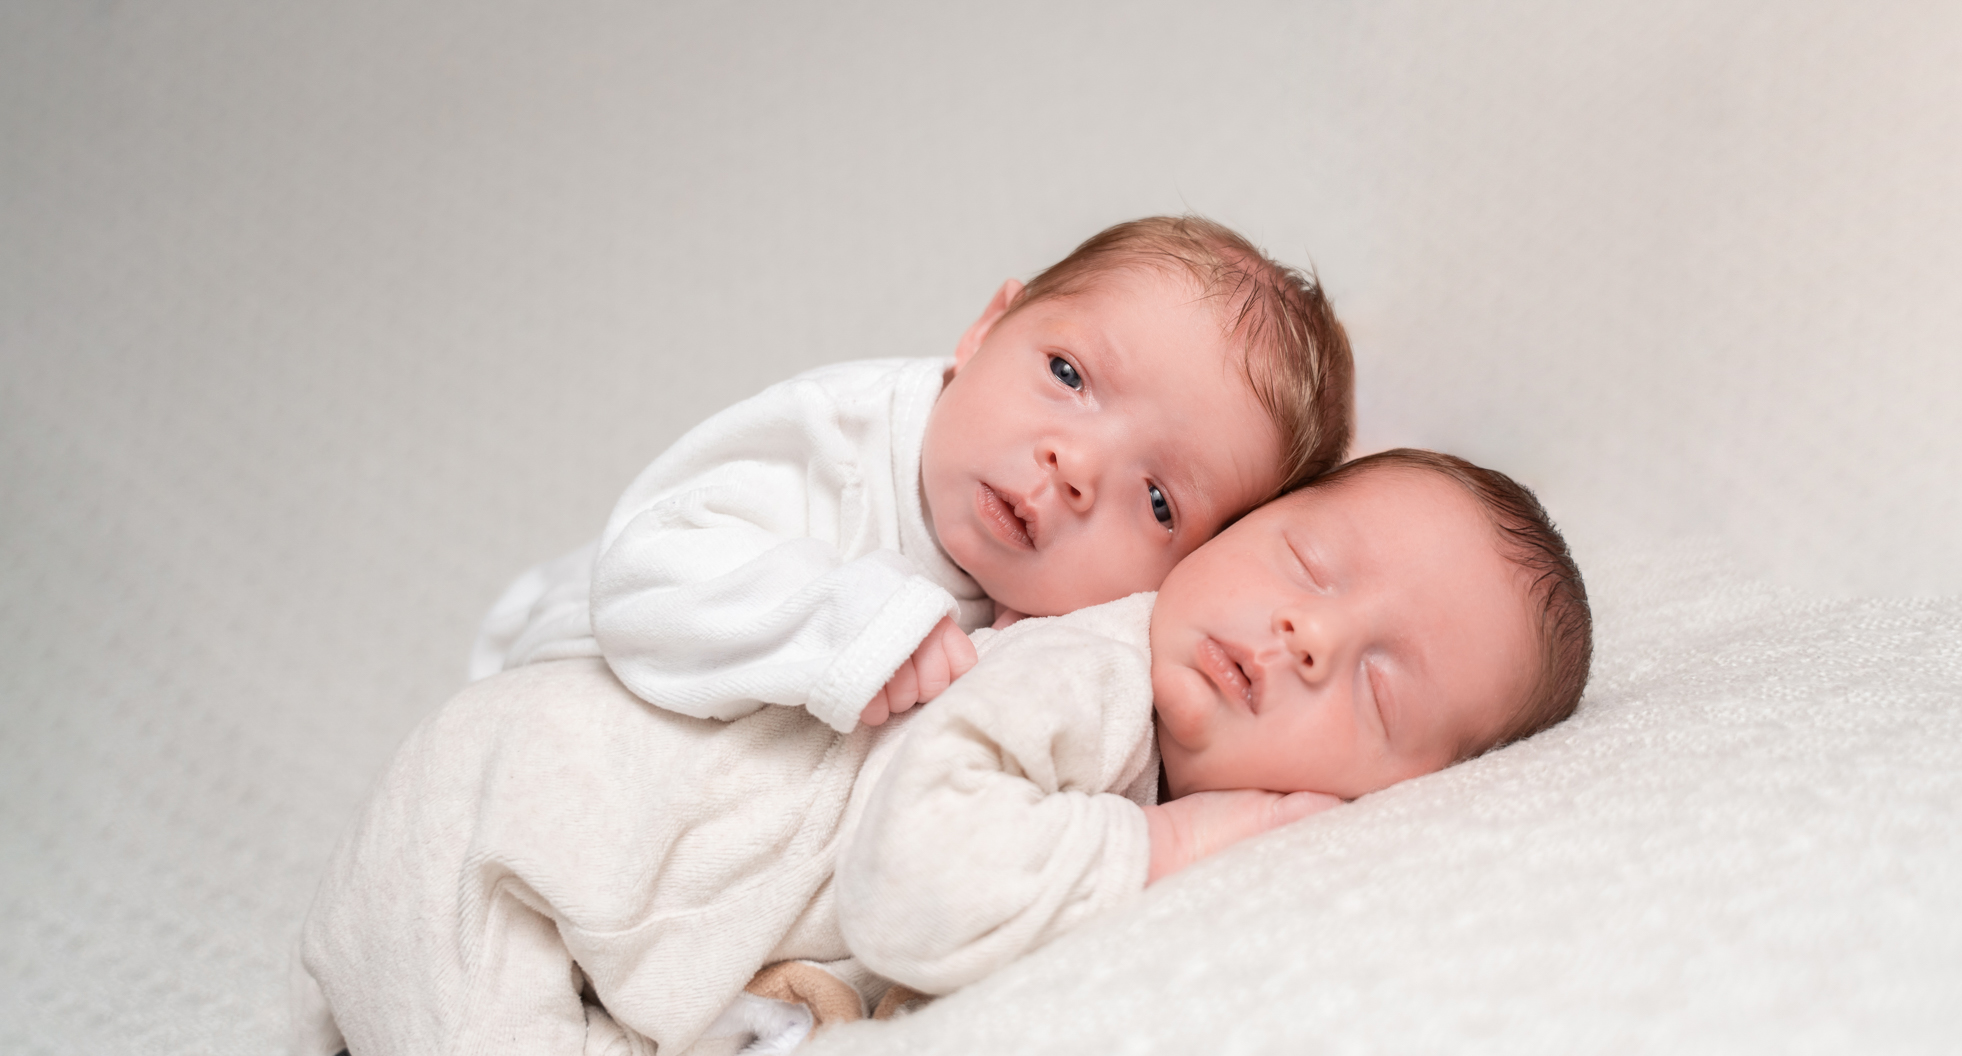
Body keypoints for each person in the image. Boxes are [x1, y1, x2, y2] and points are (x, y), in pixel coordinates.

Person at [295, 449, 1591, 1056]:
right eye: (1309, 558)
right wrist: (1168, 840)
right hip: (504, 811)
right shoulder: (1089, 670)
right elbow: (912, 882)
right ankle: (391, 1007)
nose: (1308, 634)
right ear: (1227, 529)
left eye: (1376, 684)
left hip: (574, 885)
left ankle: (393, 1008)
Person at [467, 215, 1354, 733]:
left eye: (1158, 499)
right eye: (1069, 376)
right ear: (984, 330)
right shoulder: (837, 437)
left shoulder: (1090, 624)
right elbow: (644, 579)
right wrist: (858, 622)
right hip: (586, 668)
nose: (1074, 466)